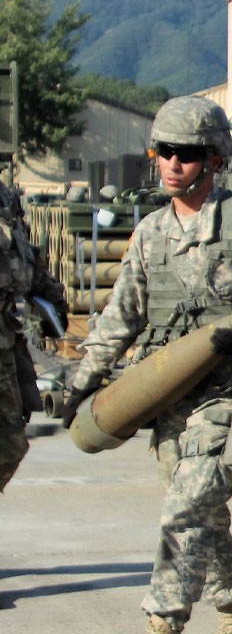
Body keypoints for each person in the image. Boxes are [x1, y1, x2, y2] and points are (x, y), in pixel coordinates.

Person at [63, 96, 232, 634]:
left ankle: (163, 621)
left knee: (184, 513)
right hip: (169, 401)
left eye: (186, 153)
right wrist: (82, 382)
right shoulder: (151, 233)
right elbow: (120, 317)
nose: (173, 163)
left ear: (215, 159)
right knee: (204, 514)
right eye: (164, 152)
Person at [0, 176, 68, 493]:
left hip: (6, 341)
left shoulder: (4, 197)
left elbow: (24, 252)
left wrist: (51, 296)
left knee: (11, 444)